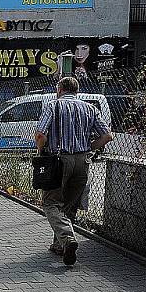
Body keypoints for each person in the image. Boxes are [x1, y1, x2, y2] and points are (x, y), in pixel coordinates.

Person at [34, 77, 113, 266]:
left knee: (51, 203)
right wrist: (88, 147)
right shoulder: (91, 109)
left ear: (59, 89)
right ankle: (60, 246)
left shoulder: (53, 106)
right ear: (76, 90)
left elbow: (40, 135)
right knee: (69, 205)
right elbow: (108, 135)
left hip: (60, 160)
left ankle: (68, 239)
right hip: (82, 160)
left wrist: (41, 150)